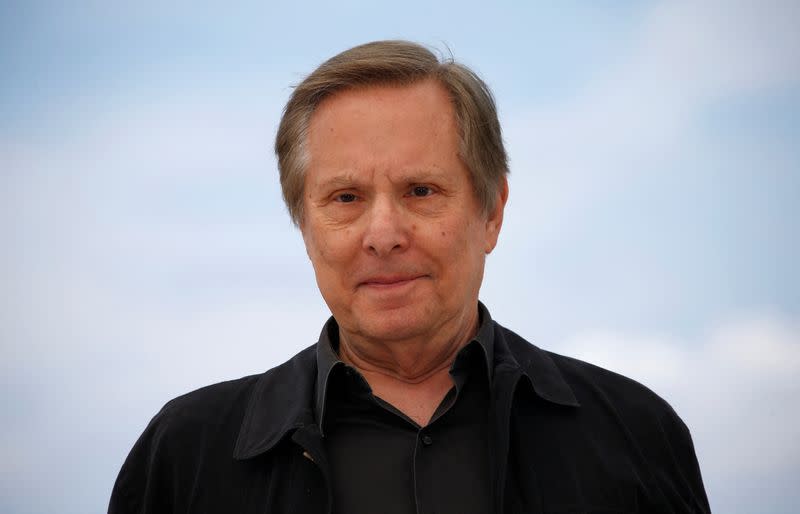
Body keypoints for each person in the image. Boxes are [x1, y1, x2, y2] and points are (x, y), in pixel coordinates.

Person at [109, 40, 710, 514]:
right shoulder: (186, 456)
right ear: (304, 225)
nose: (384, 233)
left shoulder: (636, 435)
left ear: (491, 212)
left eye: (421, 191)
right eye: (345, 198)